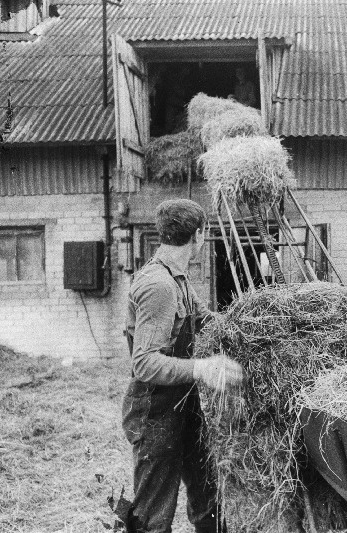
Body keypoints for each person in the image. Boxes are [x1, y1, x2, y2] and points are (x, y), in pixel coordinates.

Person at [122, 199, 243, 533]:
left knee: (209, 503)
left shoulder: (180, 281)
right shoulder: (159, 286)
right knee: (153, 518)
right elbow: (144, 363)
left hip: (183, 407)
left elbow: (209, 321)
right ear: (199, 235)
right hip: (155, 413)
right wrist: (201, 368)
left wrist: (253, 325)